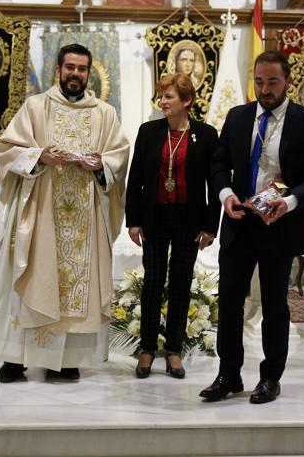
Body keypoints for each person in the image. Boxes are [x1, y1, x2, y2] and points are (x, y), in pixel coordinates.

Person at [0, 43, 130, 382]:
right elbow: (6, 149)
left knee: (71, 287)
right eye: (70, 68)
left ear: (88, 72)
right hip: (41, 212)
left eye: (81, 69)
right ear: (59, 70)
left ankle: (64, 361)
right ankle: (14, 359)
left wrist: (100, 165)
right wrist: (39, 157)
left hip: (84, 219)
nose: (75, 74)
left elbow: (119, 157)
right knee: (34, 277)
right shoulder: (36, 107)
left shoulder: (104, 113)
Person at [200, 50, 304, 404]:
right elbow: (218, 163)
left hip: (279, 226)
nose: (265, 88)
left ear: (287, 80)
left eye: (272, 81)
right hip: (240, 221)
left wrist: (288, 203)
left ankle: (270, 378)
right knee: (228, 302)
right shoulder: (239, 117)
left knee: (274, 305)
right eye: (259, 81)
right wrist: (226, 194)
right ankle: (228, 374)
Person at [125, 73, 220, 379]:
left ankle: (174, 350)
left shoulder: (205, 135)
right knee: (153, 283)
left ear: (187, 101)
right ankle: (148, 348)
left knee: (180, 284)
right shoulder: (149, 131)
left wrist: (210, 226)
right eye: (161, 96)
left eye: (169, 97)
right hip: (154, 217)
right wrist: (134, 220)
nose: (162, 101)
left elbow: (214, 182)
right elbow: (136, 179)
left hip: (188, 220)